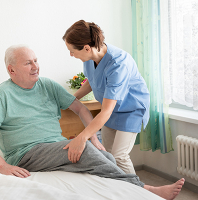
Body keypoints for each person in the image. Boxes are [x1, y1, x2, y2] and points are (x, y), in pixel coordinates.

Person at [0, 45, 184, 200]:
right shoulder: (1, 95)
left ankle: (131, 190)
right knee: (85, 151)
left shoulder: (47, 85)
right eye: (28, 63)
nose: (36, 66)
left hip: (53, 146)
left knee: (105, 154)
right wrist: (3, 166)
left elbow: (80, 108)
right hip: (25, 153)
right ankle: (146, 189)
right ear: (11, 69)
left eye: (36, 60)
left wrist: (93, 137)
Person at [63, 20, 150, 175]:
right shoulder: (90, 58)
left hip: (131, 109)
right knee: (107, 155)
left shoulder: (118, 63)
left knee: (119, 156)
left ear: (87, 48)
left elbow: (106, 111)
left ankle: (139, 193)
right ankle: (117, 191)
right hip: (109, 109)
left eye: (72, 50)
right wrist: (72, 98)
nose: (71, 55)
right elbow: (92, 80)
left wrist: (82, 138)